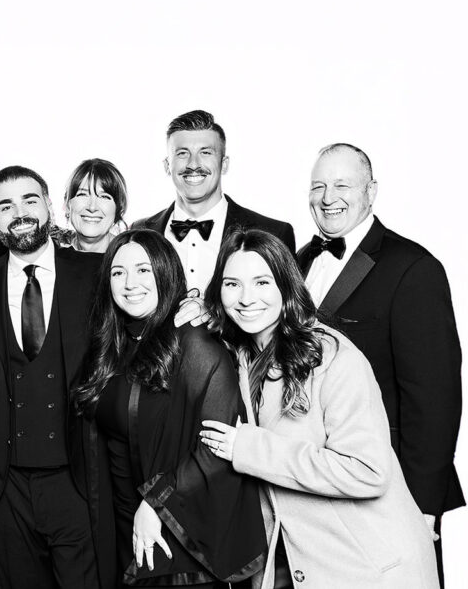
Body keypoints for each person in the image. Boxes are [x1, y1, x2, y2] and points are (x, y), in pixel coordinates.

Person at [201, 228, 440, 588]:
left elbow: (367, 471)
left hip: (370, 570)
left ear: (286, 286)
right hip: (299, 566)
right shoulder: (238, 356)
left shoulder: (333, 357)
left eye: (262, 282)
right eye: (232, 284)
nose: (247, 298)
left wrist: (249, 448)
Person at [296, 143, 462, 582]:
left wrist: (422, 508)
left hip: (390, 488)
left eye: (342, 185)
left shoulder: (413, 268)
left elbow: (435, 399)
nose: (328, 196)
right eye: (318, 185)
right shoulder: (298, 262)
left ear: (371, 191)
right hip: (315, 481)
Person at [73, 229, 265, 588]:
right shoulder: (113, 344)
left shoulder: (194, 340)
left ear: (165, 272)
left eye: (144, 270)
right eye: (118, 272)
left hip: (175, 531)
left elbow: (216, 447)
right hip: (122, 526)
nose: (130, 283)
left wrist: (156, 503)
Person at [0, 165, 106, 589]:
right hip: (4, 485)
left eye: (30, 200)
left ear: (49, 206)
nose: (19, 212)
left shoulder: (97, 272)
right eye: (5, 205)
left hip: (78, 480)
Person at [133, 110, 295, 297]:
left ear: (224, 164)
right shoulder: (140, 230)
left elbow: (288, 311)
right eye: (182, 153)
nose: (194, 164)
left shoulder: (274, 233)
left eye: (206, 152)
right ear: (167, 166)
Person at [55, 158, 128, 254]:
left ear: (119, 208)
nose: (92, 207)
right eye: (82, 194)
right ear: (67, 204)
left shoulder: (132, 257)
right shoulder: (52, 252)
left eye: (104, 197)